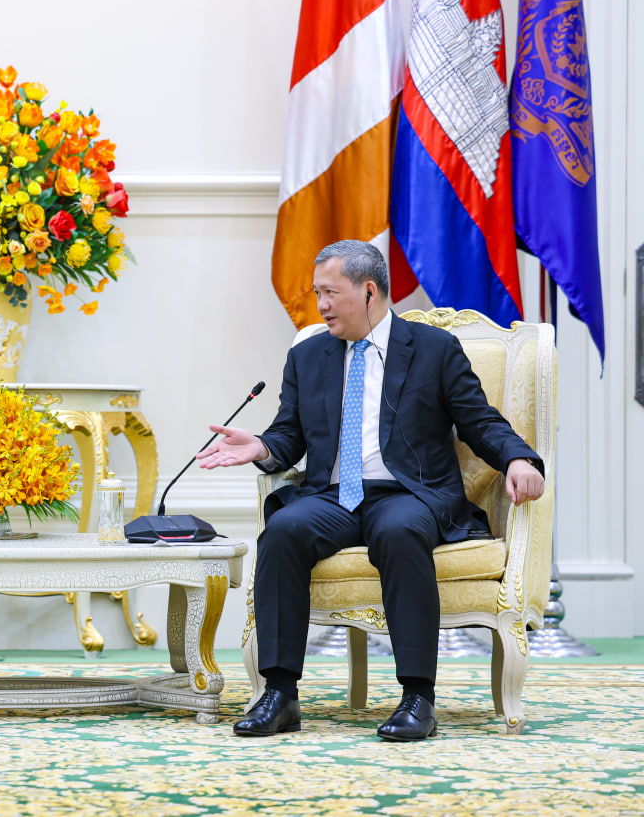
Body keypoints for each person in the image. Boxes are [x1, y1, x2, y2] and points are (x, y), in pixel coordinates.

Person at [198, 239, 545, 741]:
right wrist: (261, 447)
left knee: (399, 531)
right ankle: (279, 694)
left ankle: (418, 698)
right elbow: (288, 435)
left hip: (409, 494)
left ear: (368, 291)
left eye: (330, 293)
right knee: (283, 530)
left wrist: (517, 457)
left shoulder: (433, 350)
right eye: (317, 293)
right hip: (334, 496)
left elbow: (478, 420)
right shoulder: (308, 355)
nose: (321, 305)